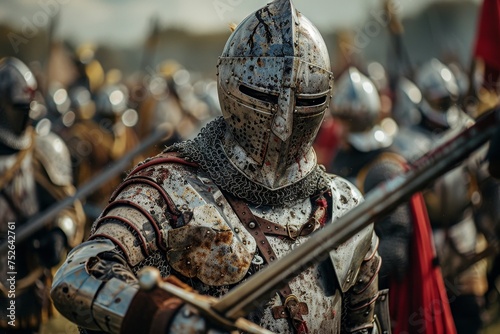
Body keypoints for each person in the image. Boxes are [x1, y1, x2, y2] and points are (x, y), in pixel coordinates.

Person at [50, 1, 383, 333]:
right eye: (262, 98)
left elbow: (363, 327)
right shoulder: (168, 187)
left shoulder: (342, 207)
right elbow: (78, 276)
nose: (283, 123)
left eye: (305, 102)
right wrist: (167, 317)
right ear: (230, 85)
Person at [329, 66, 456, 334]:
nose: (336, 130)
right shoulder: (345, 159)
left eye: (342, 123)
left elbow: (396, 250)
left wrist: (350, 284)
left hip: (381, 297)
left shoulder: (383, 168)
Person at [393, 58, 493, 334]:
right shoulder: (403, 142)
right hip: (428, 241)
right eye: (439, 98)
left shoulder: (466, 129)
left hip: (464, 233)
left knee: (471, 312)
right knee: (434, 314)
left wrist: (491, 222)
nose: (444, 102)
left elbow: (487, 178)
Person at [0, 57, 85, 333]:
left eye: (27, 108)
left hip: (24, 267)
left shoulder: (43, 150)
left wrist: (59, 234)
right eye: (17, 108)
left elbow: (68, 207)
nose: (24, 116)